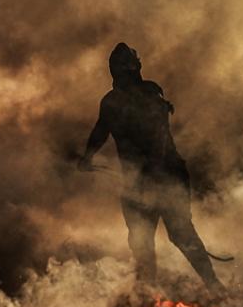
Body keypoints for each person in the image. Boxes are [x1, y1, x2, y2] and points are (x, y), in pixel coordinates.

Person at [78, 43, 226, 288]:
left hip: (167, 176)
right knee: (140, 240)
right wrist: (87, 156)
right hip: (135, 182)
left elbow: (159, 136)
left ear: (136, 69)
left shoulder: (151, 95)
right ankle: (147, 296)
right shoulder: (111, 103)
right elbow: (100, 131)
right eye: (119, 69)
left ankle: (214, 286)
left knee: (180, 233)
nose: (124, 74)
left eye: (127, 69)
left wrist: (154, 175)